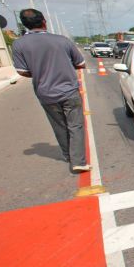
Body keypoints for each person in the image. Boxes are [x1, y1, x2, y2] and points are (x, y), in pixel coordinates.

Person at [12, 9, 90, 173]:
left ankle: (68, 156)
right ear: (44, 22)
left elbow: (21, 70)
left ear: (24, 25)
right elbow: (81, 63)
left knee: (59, 126)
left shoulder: (19, 44)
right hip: (69, 90)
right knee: (75, 126)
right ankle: (78, 161)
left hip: (45, 92)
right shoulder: (62, 41)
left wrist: (39, 71)